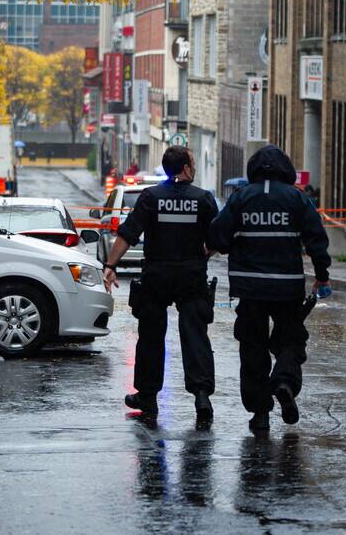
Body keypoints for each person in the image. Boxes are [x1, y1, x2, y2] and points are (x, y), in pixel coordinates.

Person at [208, 145, 330, 433]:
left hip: (249, 288)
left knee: (253, 349)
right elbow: (317, 238)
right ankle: (285, 381)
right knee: (290, 339)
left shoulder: (241, 198)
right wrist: (322, 275)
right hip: (286, 288)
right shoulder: (297, 199)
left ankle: (260, 413)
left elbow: (218, 235)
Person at [103, 146, 219, 424]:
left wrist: (110, 266)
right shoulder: (203, 199)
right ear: (187, 168)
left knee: (151, 337)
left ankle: (148, 396)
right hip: (191, 277)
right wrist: (206, 252)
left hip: (157, 276)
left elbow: (128, 233)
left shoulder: (151, 197)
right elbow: (218, 237)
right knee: (195, 337)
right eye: (192, 162)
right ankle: (201, 396)